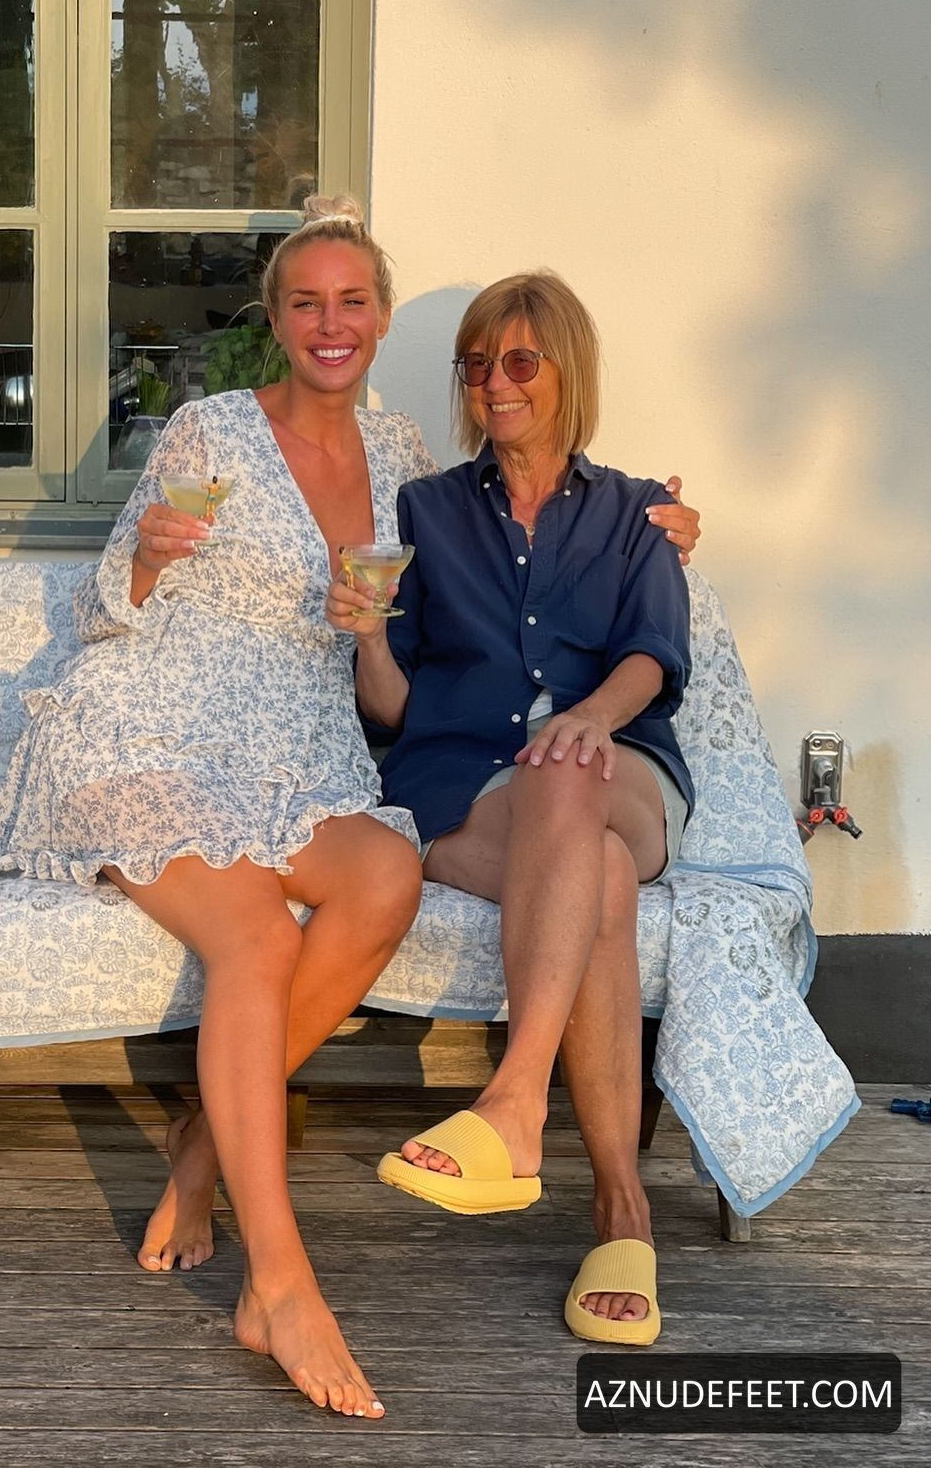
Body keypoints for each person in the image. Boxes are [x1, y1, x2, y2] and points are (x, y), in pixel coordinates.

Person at [0, 206, 699, 1411]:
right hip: (155, 724)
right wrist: (145, 557)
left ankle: (211, 1139)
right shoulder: (209, 428)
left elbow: (449, 616)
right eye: (305, 302)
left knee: (387, 877)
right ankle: (281, 1284)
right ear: (275, 317)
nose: (330, 323)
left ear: (380, 316)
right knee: (258, 940)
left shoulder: (409, 465)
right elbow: (107, 604)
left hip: (298, 754)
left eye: (352, 300)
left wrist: (661, 528)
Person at [336, 269, 693, 1348]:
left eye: (521, 361)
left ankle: (516, 1103)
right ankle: (623, 1215)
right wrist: (367, 634)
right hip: (465, 788)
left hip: (619, 766)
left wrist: (589, 716)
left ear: (566, 370)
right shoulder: (426, 512)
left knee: (567, 769)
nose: (496, 383)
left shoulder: (638, 511)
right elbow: (394, 708)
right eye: (478, 364)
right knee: (599, 882)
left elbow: (653, 654)